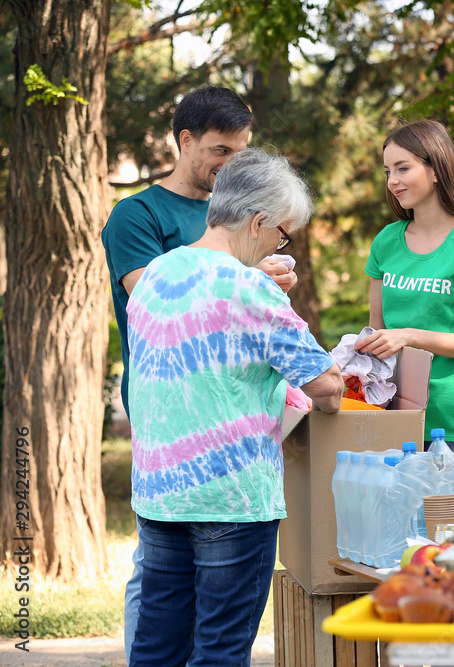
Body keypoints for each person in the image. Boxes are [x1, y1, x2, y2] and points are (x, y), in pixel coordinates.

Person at [100, 86, 296, 661]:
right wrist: (249, 279)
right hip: (171, 412)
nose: (231, 164)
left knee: (190, 584)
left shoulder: (240, 215)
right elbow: (162, 302)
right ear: (184, 141)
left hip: (232, 407)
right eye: (219, 150)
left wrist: (267, 282)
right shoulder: (138, 215)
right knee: (160, 576)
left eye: (240, 151)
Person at [126, 148, 344, 666]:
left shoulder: (155, 275)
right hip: (232, 497)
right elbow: (328, 387)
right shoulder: (251, 289)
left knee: (157, 646)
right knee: (220, 650)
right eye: (282, 233)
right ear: (259, 222)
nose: (280, 244)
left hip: (159, 491)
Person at [354, 119, 454, 443]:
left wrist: (409, 336)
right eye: (387, 171)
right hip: (393, 418)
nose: (393, 181)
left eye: (403, 168)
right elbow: (377, 330)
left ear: (436, 170)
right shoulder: (385, 242)